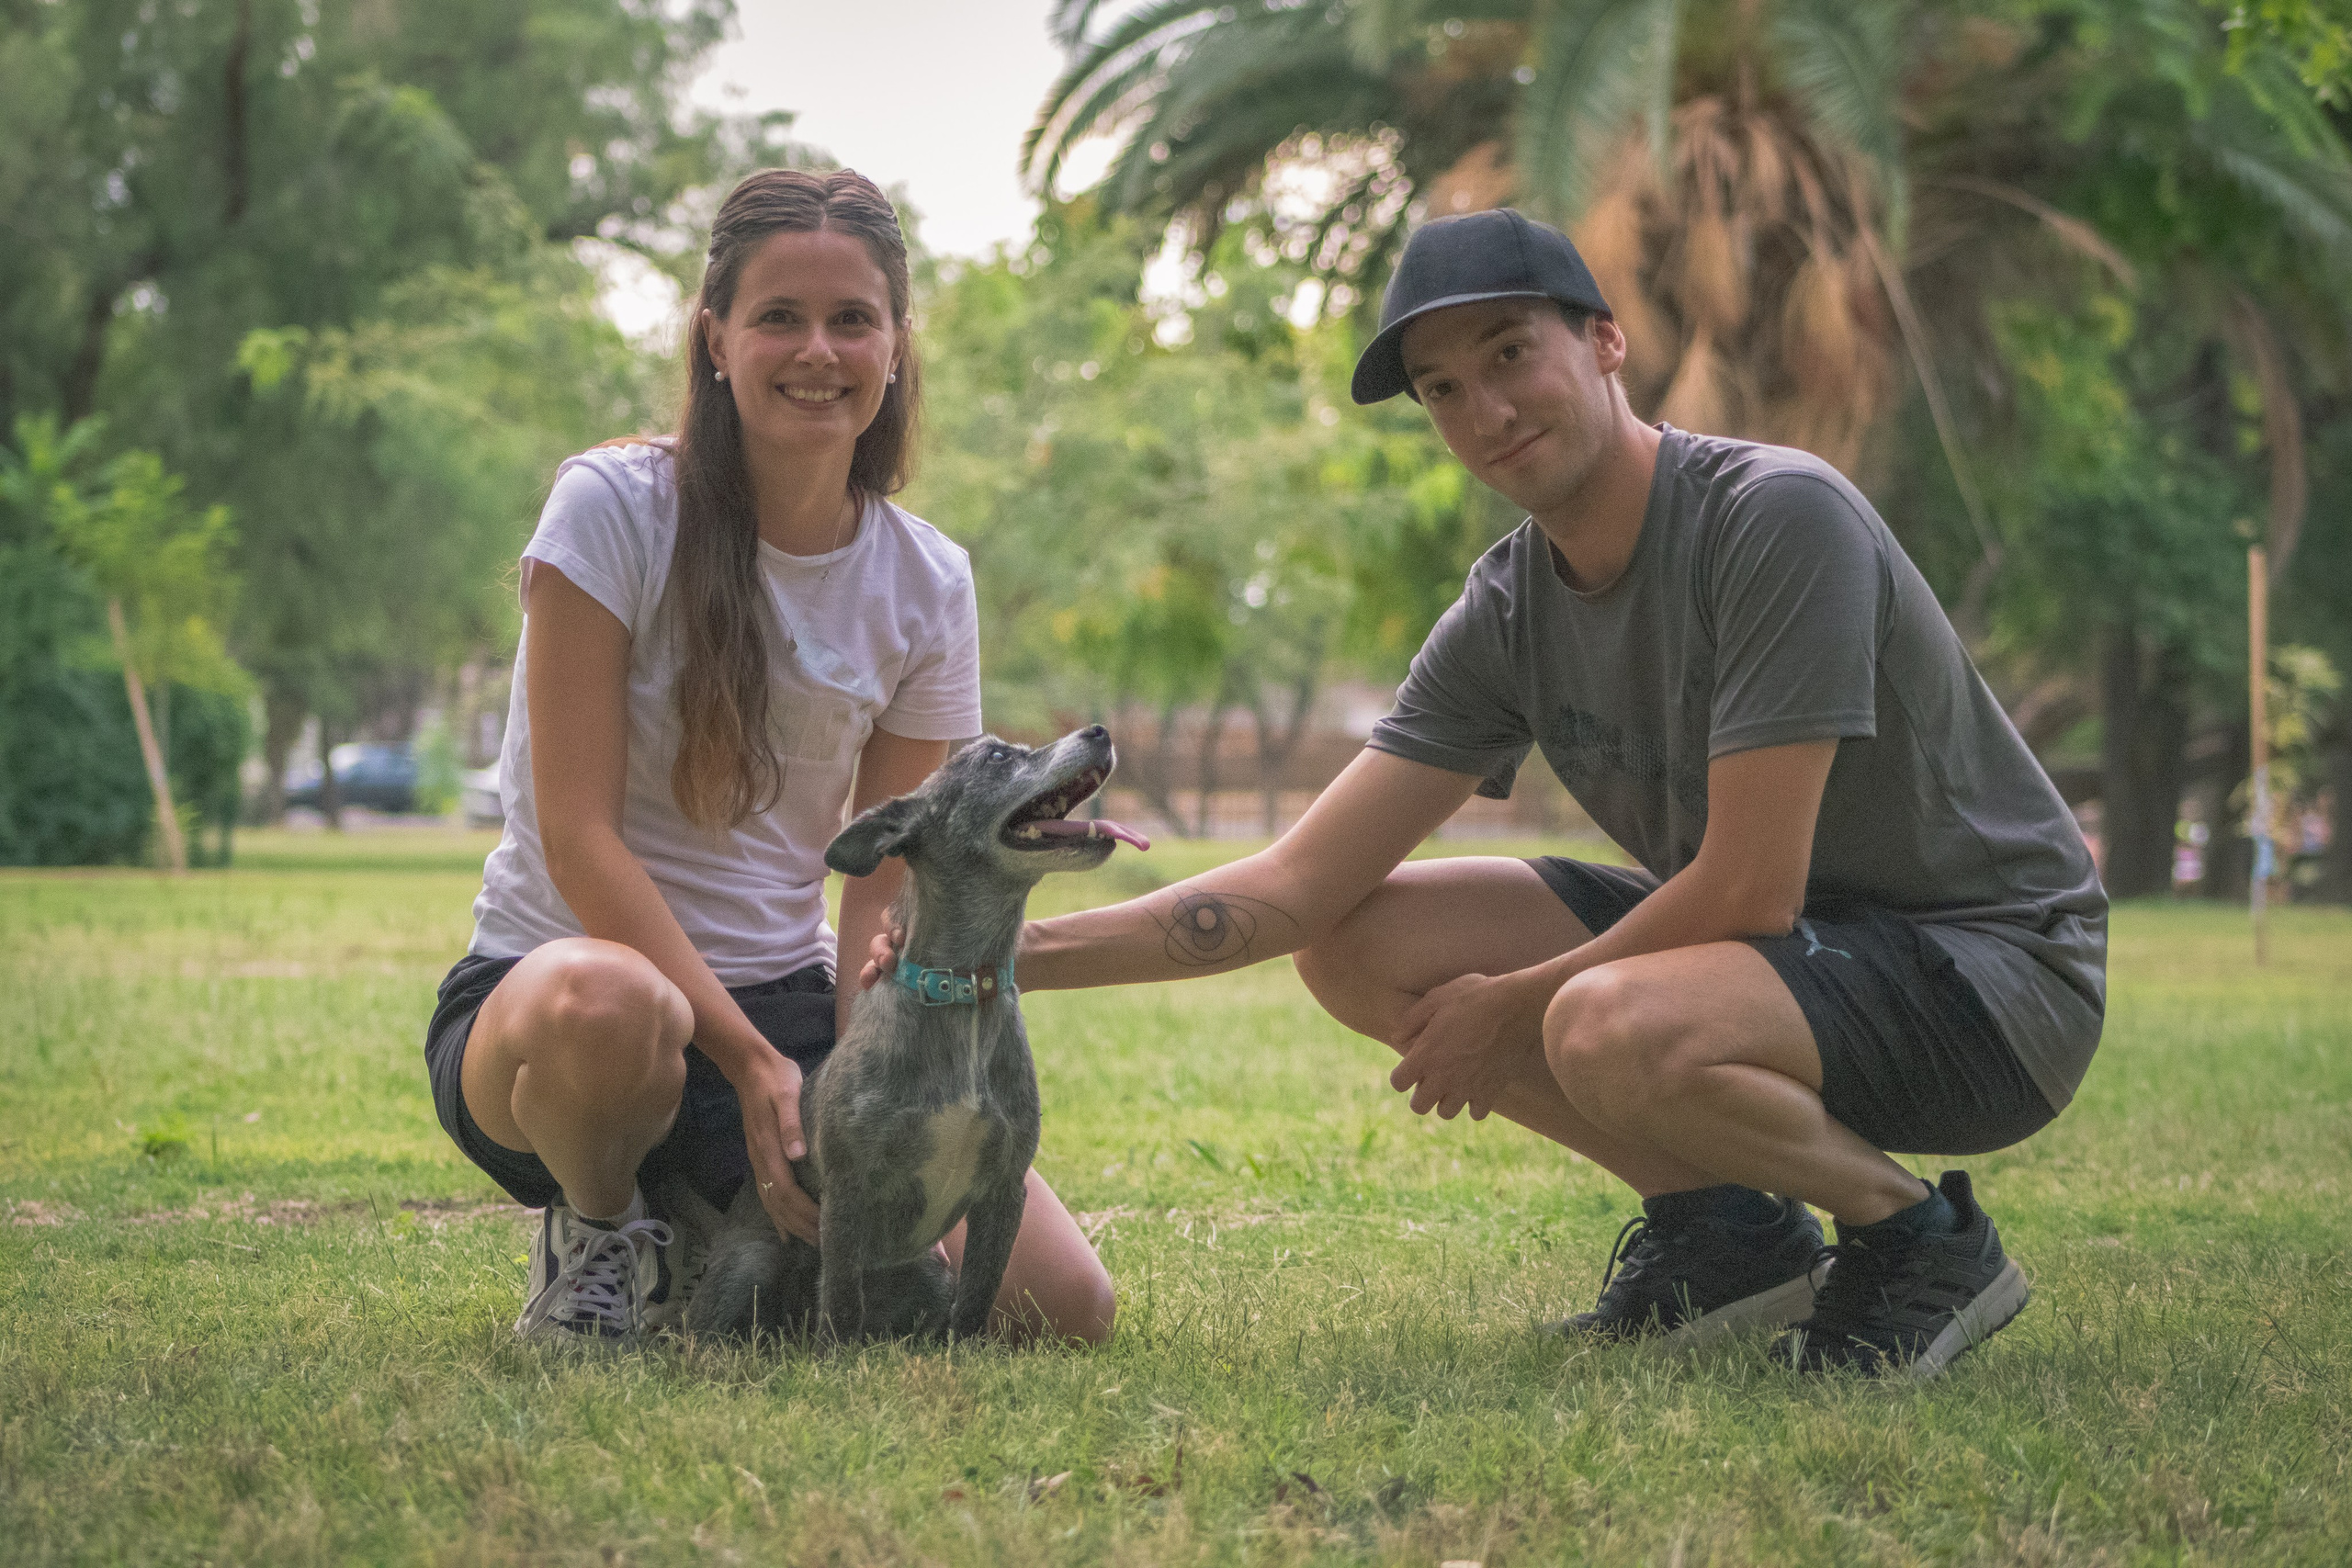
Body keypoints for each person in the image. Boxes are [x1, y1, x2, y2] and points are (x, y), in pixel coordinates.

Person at [871, 209, 2106, 1378]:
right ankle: (1727, 1234)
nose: (1486, 409)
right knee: (1361, 940)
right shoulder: (1511, 606)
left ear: (1606, 341)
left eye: (1511, 354)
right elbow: (1299, 886)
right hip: (1784, 962)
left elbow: (1750, 883)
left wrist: (1514, 1008)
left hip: (1990, 981)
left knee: (1600, 1019)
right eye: (1445, 390)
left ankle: (1919, 1242)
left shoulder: (1774, 516)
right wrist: (986, 956)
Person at [423, 168, 1115, 1348]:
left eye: (854, 319)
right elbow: (577, 836)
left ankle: (706, 1228)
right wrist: (747, 1065)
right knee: (613, 1002)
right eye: (778, 318)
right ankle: (602, 1234)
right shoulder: (609, 508)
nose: (818, 350)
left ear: (896, 345)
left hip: (788, 1008)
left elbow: (879, 877)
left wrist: (854, 1082)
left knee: (1062, 1308)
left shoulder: (926, 578)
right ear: (715, 338)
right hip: (560, 1003)